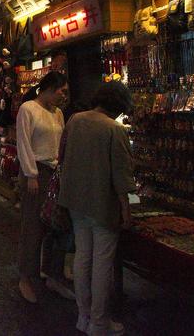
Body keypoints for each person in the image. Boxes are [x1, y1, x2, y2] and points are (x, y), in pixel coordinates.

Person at [58, 81, 134, 336]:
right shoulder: (114, 129)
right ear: (118, 106)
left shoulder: (75, 120)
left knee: (82, 257)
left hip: (75, 200)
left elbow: (63, 154)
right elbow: (121, 176)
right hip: (102, 204)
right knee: (102, 264)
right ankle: (99, 323)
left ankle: (84, 316)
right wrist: (126, 210)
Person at [16, 71, 69, 304]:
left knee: (57, 226)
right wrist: (31, 174)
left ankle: (53, 274)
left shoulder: (58, 113)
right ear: (48, 88)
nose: (63, 96)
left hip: (55, 173)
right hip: (35, 172)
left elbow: (61, 144)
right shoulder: (28, 109)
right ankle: (26, 277)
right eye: (61, 91)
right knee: (33, 226)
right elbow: (24, 143)